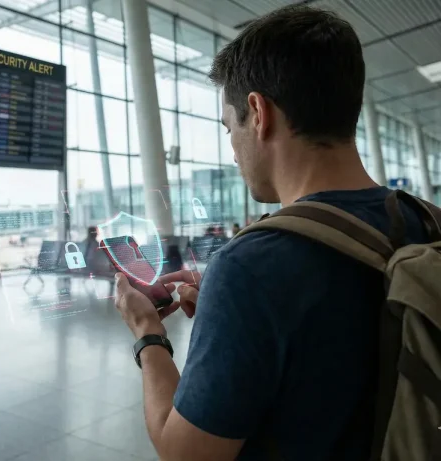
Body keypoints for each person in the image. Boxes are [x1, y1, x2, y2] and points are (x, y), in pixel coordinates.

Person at [113, 5, 429, 461]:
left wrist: (146, 332)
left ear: (258, 113)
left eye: (229, 127)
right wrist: (234, 317)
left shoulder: (251, 266)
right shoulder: (428, 221)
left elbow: (185, 453)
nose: (233, 150)